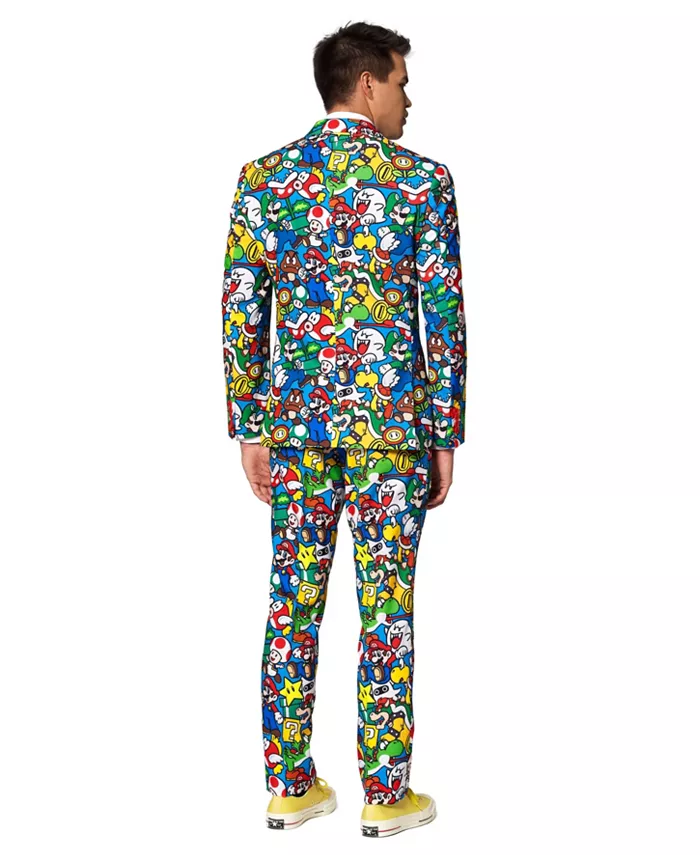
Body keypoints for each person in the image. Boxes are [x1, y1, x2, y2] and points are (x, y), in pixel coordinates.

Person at [221, 21, 467, 837]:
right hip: (392, 431)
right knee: (384, 610)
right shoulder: (422, 182)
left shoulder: (265, 178)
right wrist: (445, 432)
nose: (407, 99)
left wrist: (250, 426)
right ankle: (386, 794)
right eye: (400, 82)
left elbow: (240, 310)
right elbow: (443, 317)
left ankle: (289, 785)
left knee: (292, 602)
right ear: (367, 83)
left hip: (294, 430)